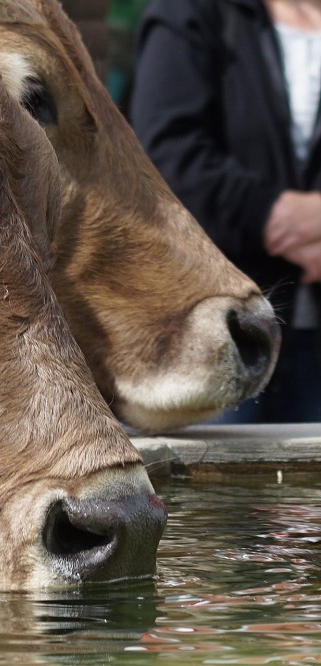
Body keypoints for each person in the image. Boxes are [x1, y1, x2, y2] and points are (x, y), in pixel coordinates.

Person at [131, 0, 321, 422]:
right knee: (218, 481)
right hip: (221, 327)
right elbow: (165, 157)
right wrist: (275, 217)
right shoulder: (191, 13)